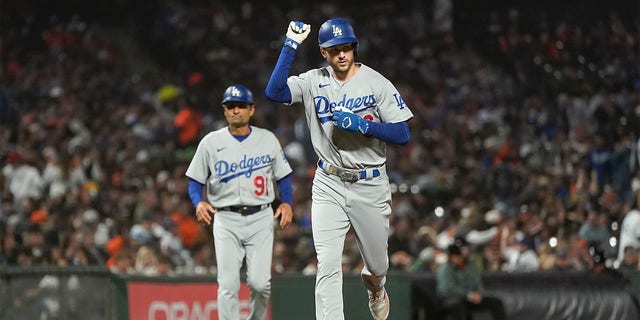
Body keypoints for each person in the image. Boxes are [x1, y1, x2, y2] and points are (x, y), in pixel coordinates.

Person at [265, 18, 414, 320]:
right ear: (323, 52)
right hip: (329, 181)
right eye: (335, 50)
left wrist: (364, 125)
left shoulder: (376, 82)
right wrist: (290, 45)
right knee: (328, 263)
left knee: (378, 264)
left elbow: (402, 133)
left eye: (347, 47)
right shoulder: (312, 80)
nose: (342, 54)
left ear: (354, 47)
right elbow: (275, 92)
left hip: (369, 183)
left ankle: (375, 286)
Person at [185, 84, 294, 320]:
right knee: (228, 285)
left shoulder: (267, 139)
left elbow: (283, 176)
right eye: (230, 106)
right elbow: (194, 181)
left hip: (261, 217)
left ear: (251, 110)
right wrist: (198, 202)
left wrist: (287, 203)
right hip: (226, 218)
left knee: (260, 283)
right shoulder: (211, 142)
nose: (236, 110)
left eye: (241, 106)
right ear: (224, 111)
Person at [436, 241, 506, 320]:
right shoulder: (445, 269)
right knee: (459, 305)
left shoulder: (469, 267)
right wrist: (468, 294)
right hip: (451, 300)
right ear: (451, 257)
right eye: (457, 257)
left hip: (470, 299)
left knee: (496, 303)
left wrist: (478, 294)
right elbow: (445, 290)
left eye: (460, 256)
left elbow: (477, 282)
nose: (460, 259)